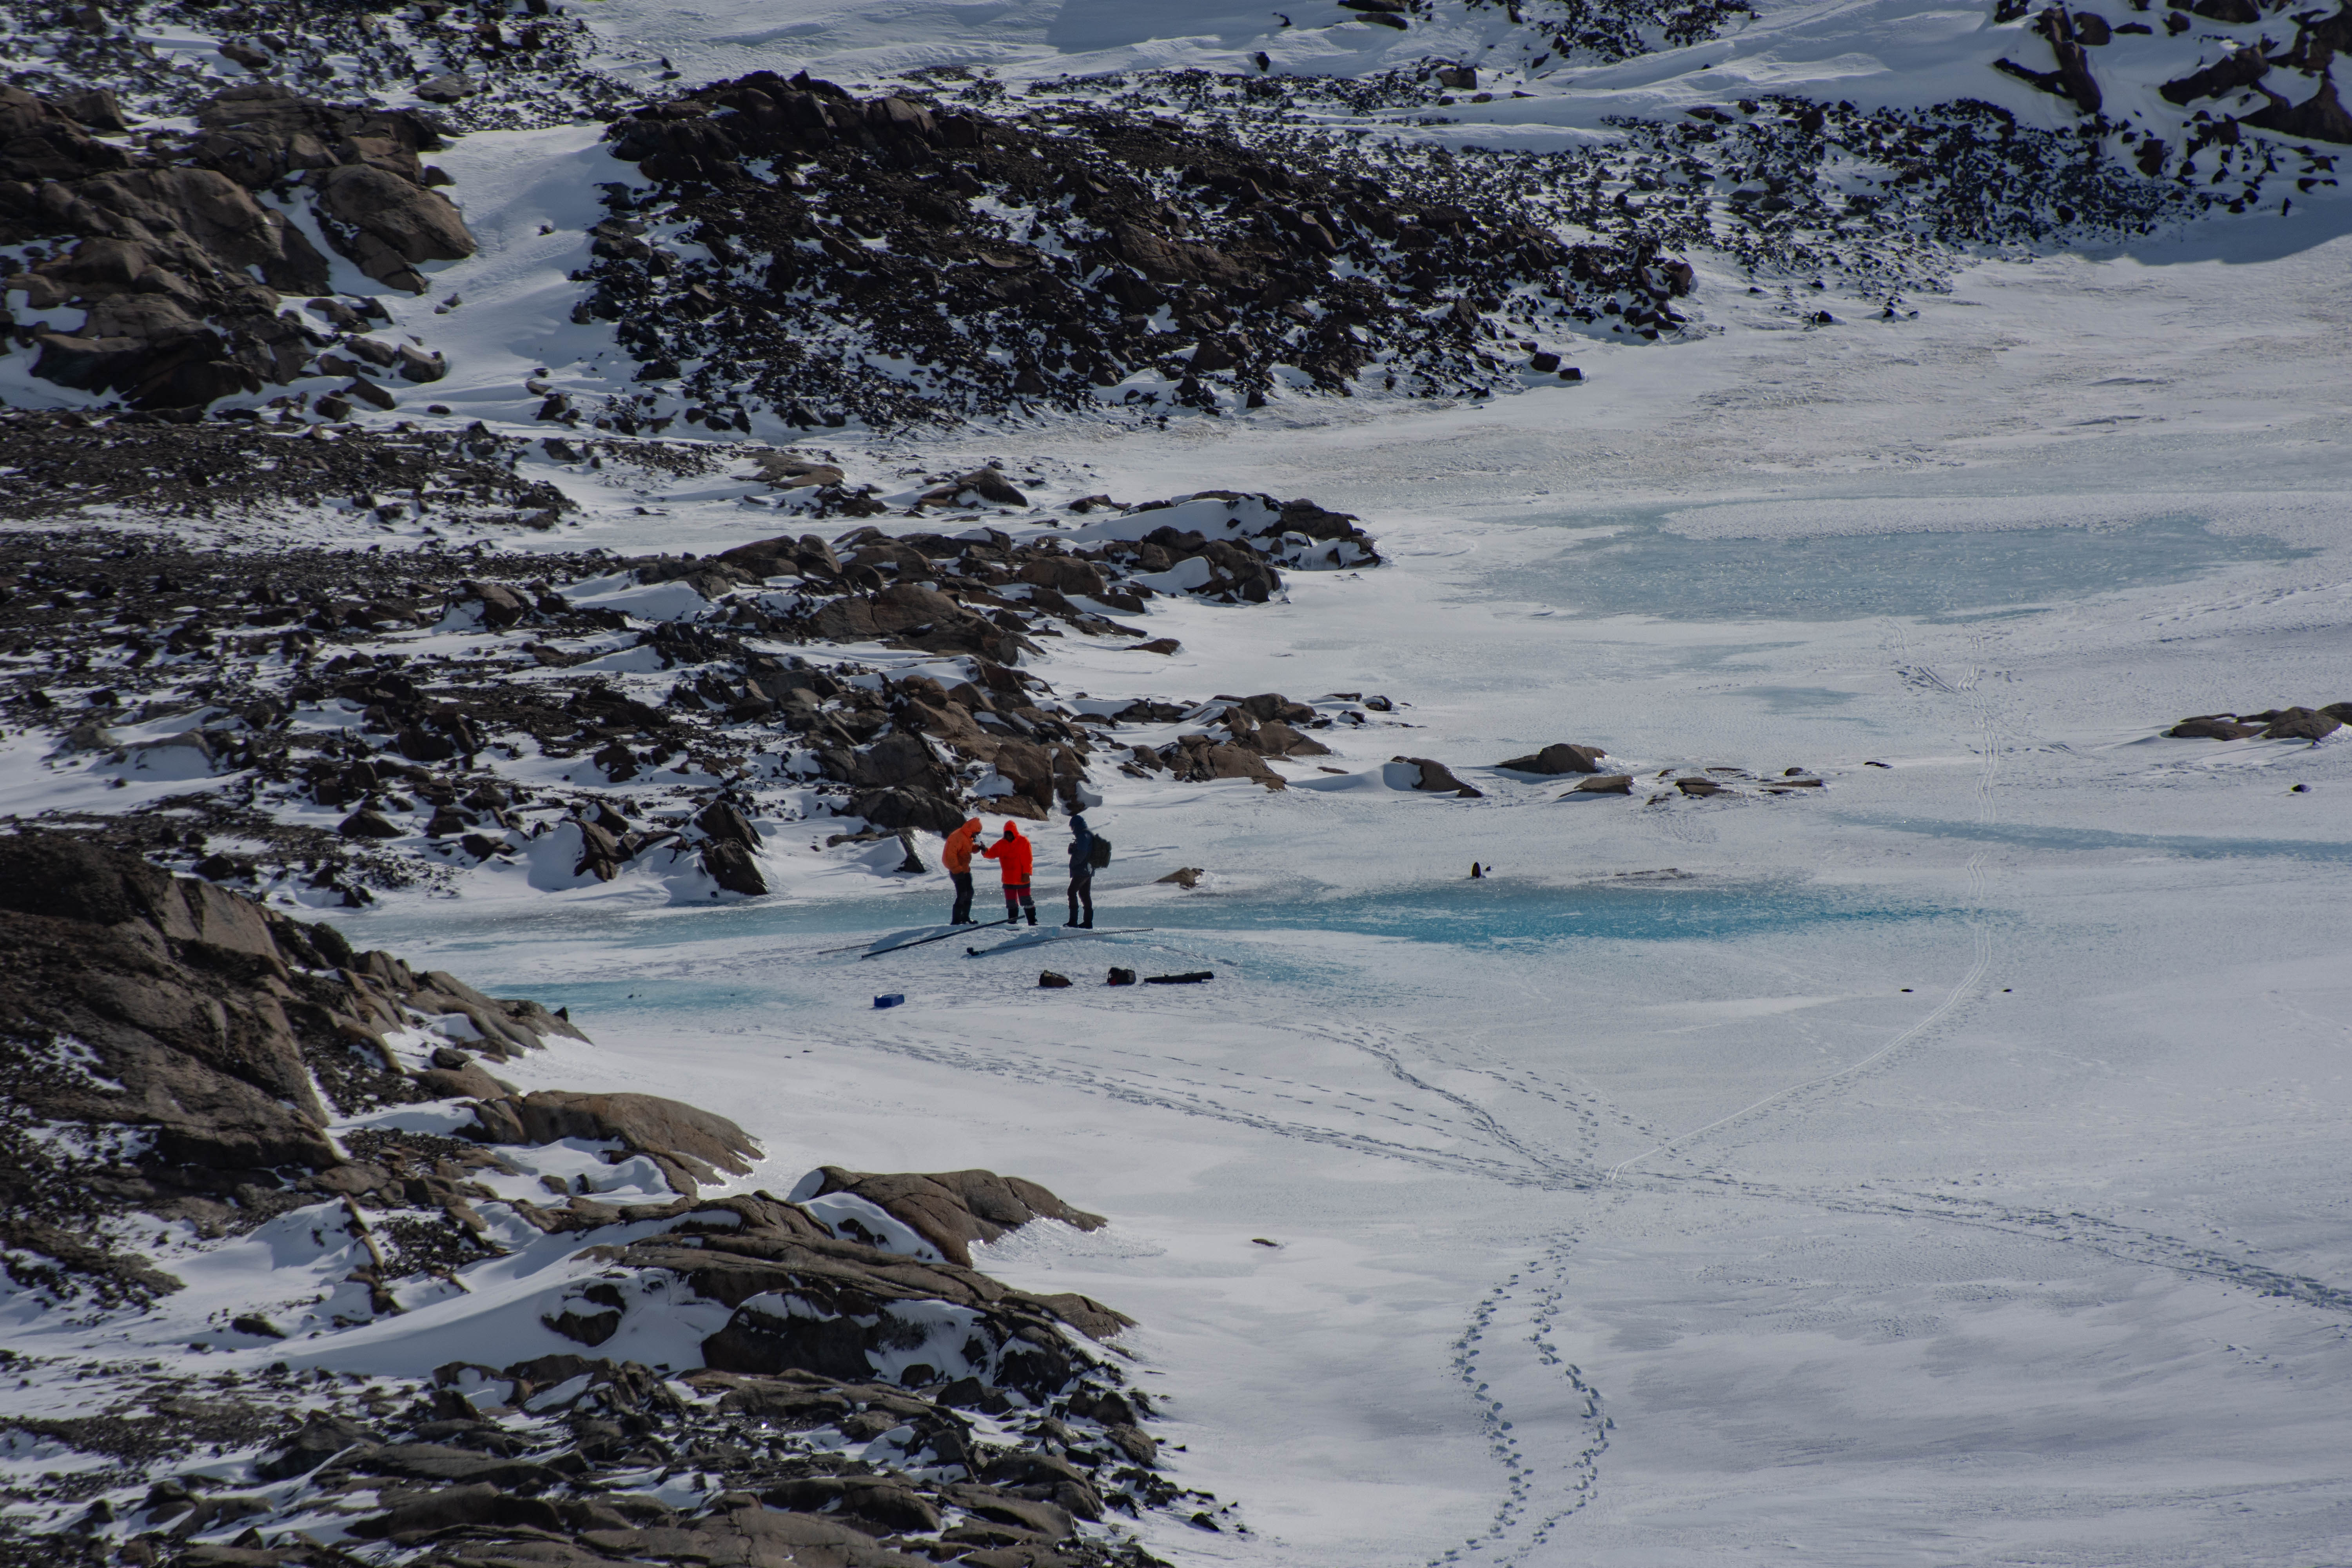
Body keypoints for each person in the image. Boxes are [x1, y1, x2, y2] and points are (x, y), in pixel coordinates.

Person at [980, 820, 1036, 925]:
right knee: (1011, 904)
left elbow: (1028, 859)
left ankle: (1033, 923)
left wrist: (1027, 873)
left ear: (1014, 833)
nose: (1009, 836)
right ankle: (1012, 924)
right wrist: (985, 851)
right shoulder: (1001, 844)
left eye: (1011, 834)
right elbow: (992, 853)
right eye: (1007, 834)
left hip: (1022, 880)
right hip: (1008, 881)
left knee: (1027, 902)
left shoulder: (1024, 842)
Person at [942, 817, 983, 924]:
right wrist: (957, 870)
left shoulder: (967, 836)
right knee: (963, 894)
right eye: (977, 833)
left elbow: (967, 849)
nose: (977, 836)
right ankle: (956, 921)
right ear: (972, 830)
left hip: (965, 870)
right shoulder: (958, 837)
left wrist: (977, 848)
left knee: (970, 892)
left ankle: (965, 918)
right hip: (957, 871)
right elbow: (950, 855)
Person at [1065, 813, 1096, 928]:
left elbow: (1082, 852)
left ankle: (1073, 922)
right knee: (1084, 894)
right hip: (1088, 870)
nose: (1072, 829)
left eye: (1072, 827)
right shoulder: (1087, 834)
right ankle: (1088, 923)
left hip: (1082, 870)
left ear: (1076, 825)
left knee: (1071, 892)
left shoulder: (1083, 835)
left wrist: (1075, 863)